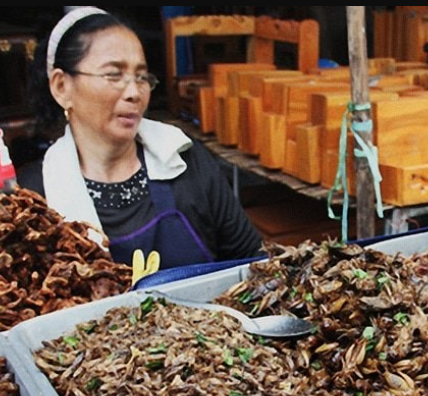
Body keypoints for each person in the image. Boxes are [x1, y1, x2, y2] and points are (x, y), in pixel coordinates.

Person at [17, 7, 265, 269]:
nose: (134, 92)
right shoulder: (36, 196)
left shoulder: (186, 162)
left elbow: (253, 262)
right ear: (61, 87)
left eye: (142, 77)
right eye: (114, 75)